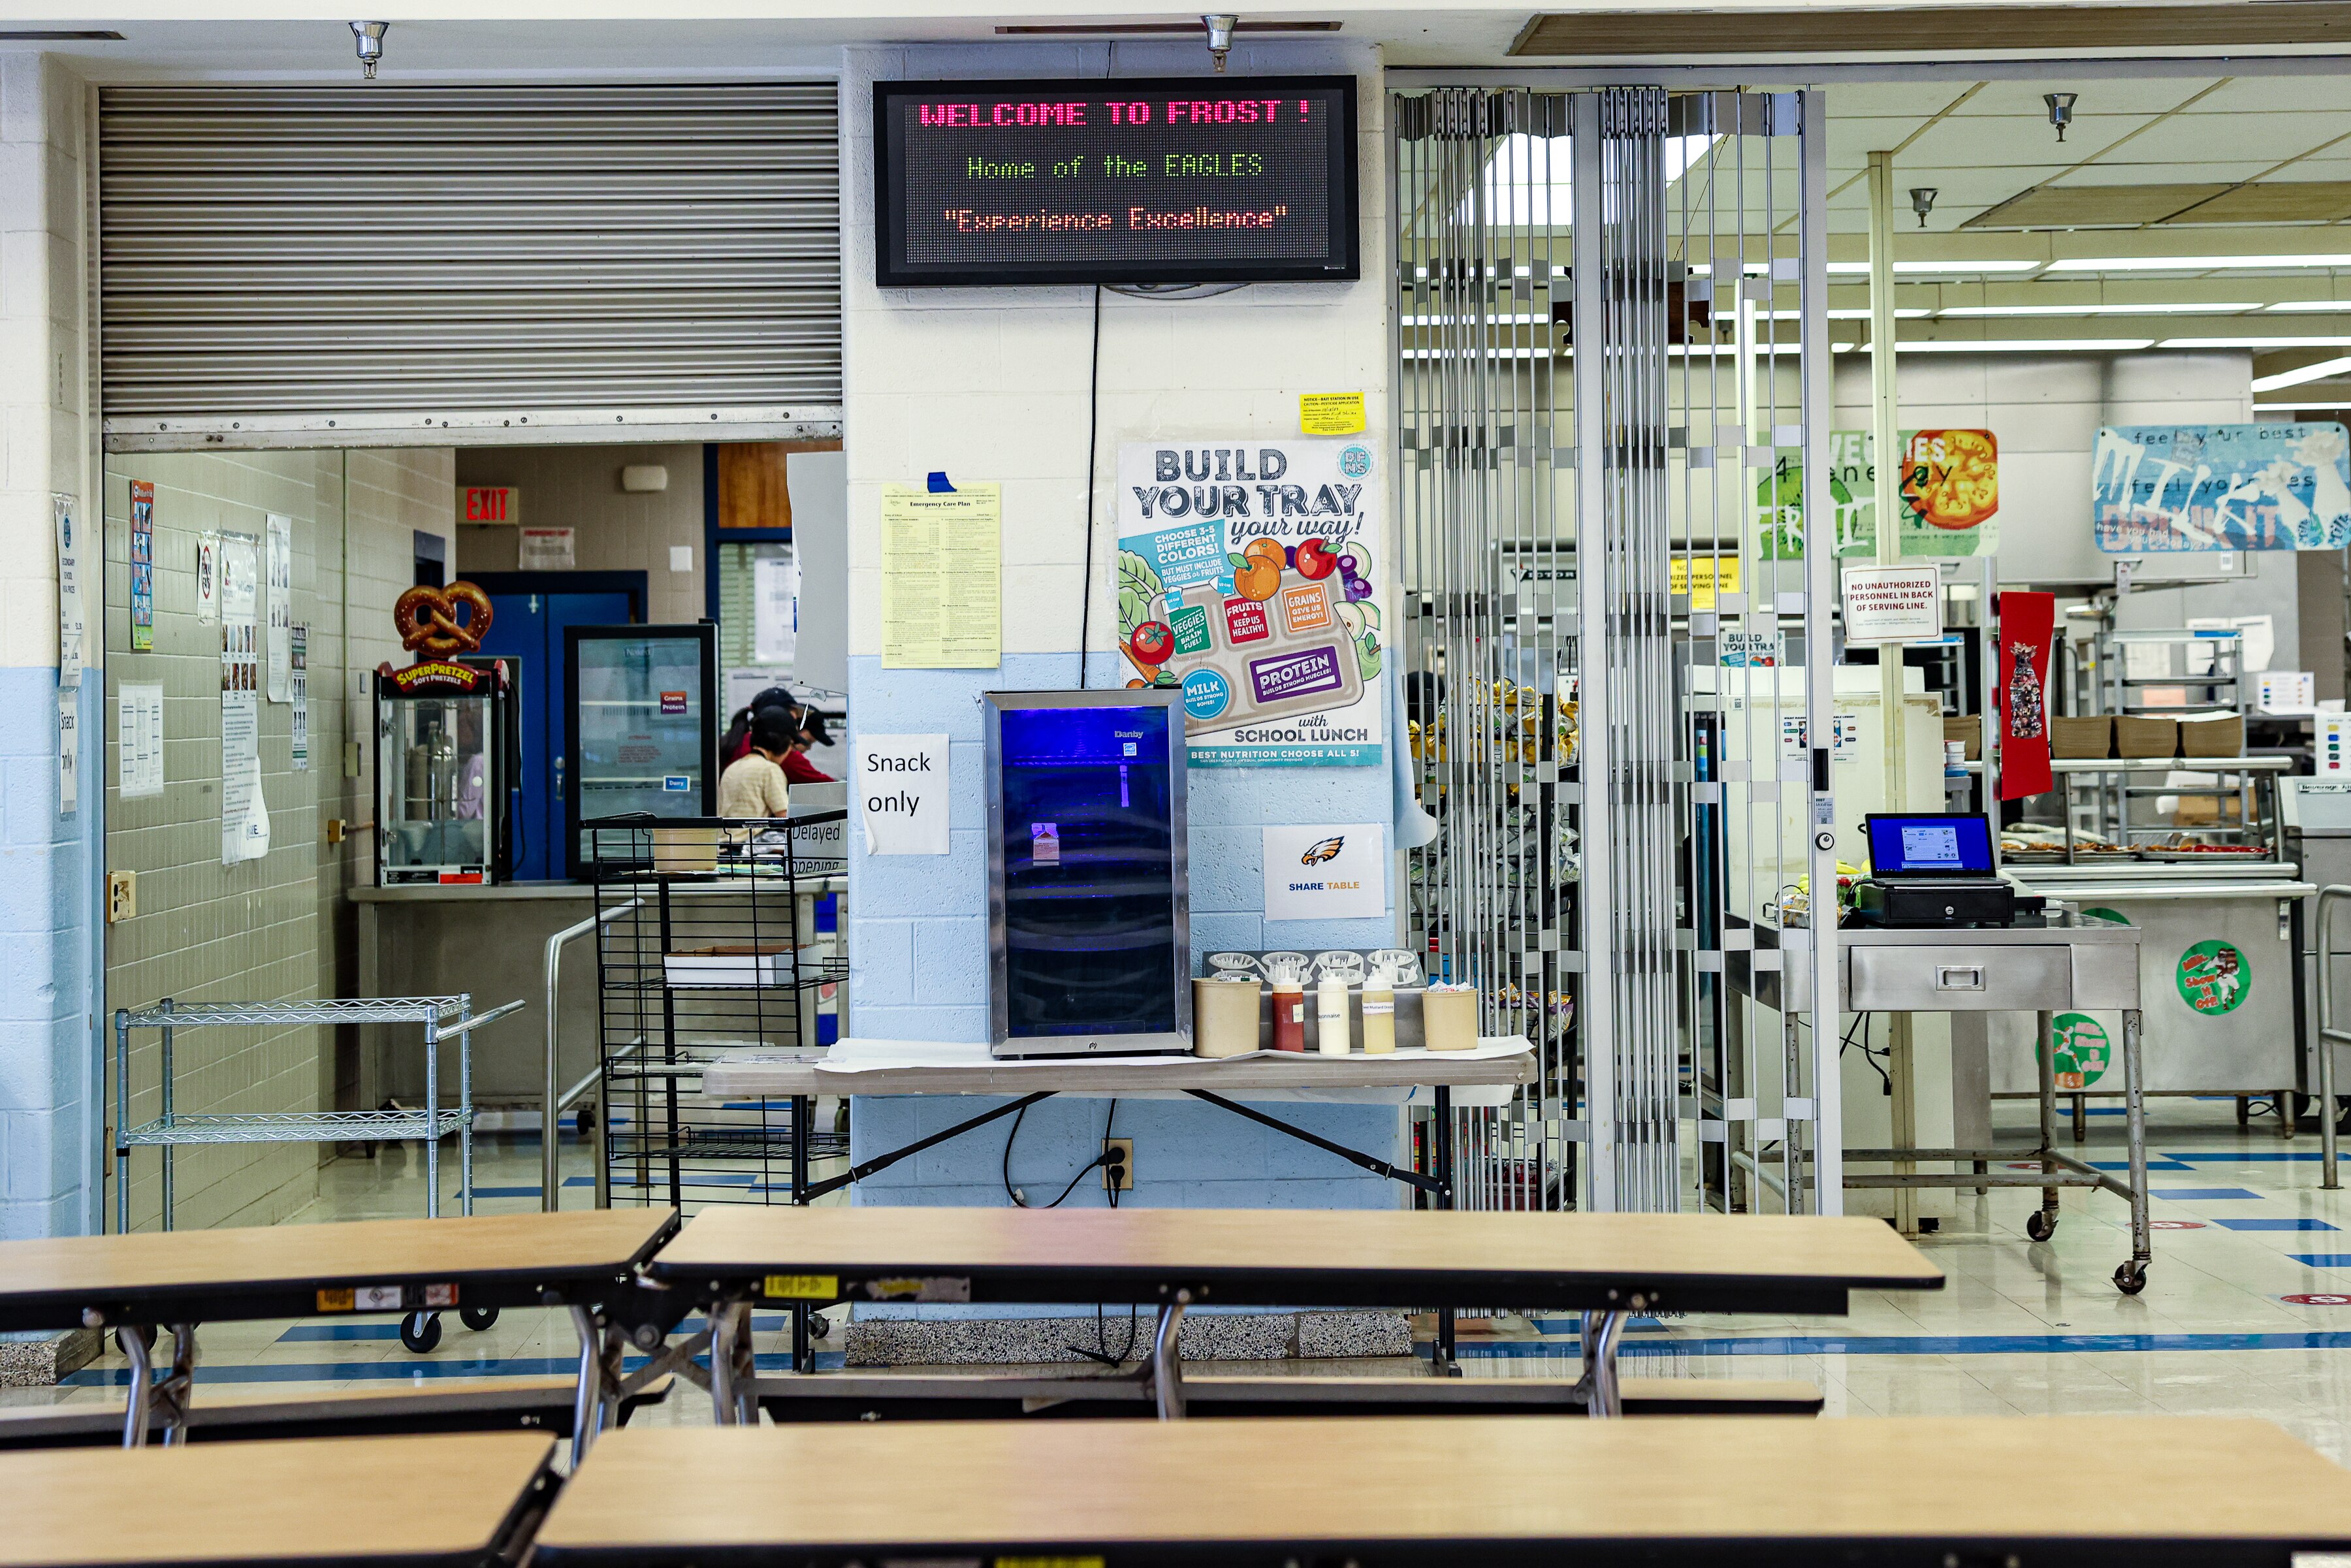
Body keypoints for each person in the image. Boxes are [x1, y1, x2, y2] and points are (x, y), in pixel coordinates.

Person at [716, 711, 793, 819]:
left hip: (725, 830)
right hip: (751, 831)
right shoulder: (770, 769)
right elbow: (784, 816)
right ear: (782, 743)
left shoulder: (732, 768)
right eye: (791, 745)